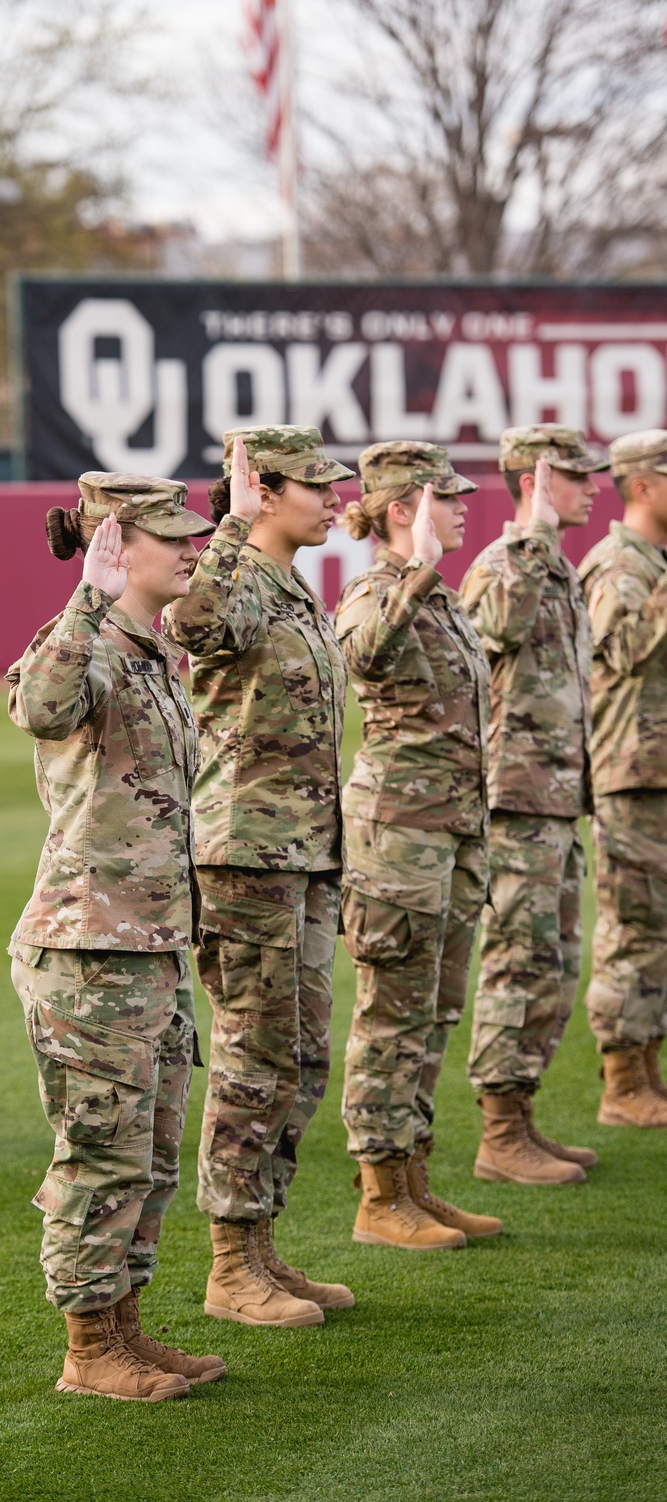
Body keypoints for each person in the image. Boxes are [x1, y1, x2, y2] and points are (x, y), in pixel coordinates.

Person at [8, 471, 225, 1403]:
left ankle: (126, 1327)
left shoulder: (149, 653)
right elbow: (40, 708)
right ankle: (88, 1348)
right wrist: (83, 600)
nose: (192, 548)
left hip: (150, 945)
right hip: (90, 949)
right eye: (170, 536)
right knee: (99, 1151)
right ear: (114, 548)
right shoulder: (86, 645)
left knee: (151, 1149)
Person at [163, 425, 356, 1327]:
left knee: (302, 1055)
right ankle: (229, 1263)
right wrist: (233, 530)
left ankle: (263, 1242)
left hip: (305, 853)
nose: (335, 499)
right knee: (253, 1053)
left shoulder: (291, 587)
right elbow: (194, 628)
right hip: (244, 856)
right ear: (262, 489)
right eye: (316, 485)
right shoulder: (228, 572)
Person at [335, 441, 501, 1251]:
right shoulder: (377, 588)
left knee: (434, 1012)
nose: (468, 506)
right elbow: (360, 653)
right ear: (405, 508)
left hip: (451, 833)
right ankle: (378, 1196)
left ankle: (416, 1182)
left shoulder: (442, 601)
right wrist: (417, 572)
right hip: (397, 838)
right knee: (391, 1017)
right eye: (450, 495)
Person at [461, 425, 606, 1184]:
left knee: (554, 962)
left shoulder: (560, 571)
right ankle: (498, 1134)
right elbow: (490, 629)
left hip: (554, 797)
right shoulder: (507, 562)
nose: (594, 489)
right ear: (536, 481)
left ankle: (522, 1115)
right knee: (520, 961)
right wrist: (534, 537)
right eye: (577, 478)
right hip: (516, 799)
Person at [578, 429, 667, 1128]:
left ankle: (646, 1074)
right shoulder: (619, 564)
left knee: (656, 929)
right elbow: (622, 649)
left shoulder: (651, 560)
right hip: (632, 772)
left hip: (654, 769)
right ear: (642, 485)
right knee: (632, 928)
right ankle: (622, 1083)